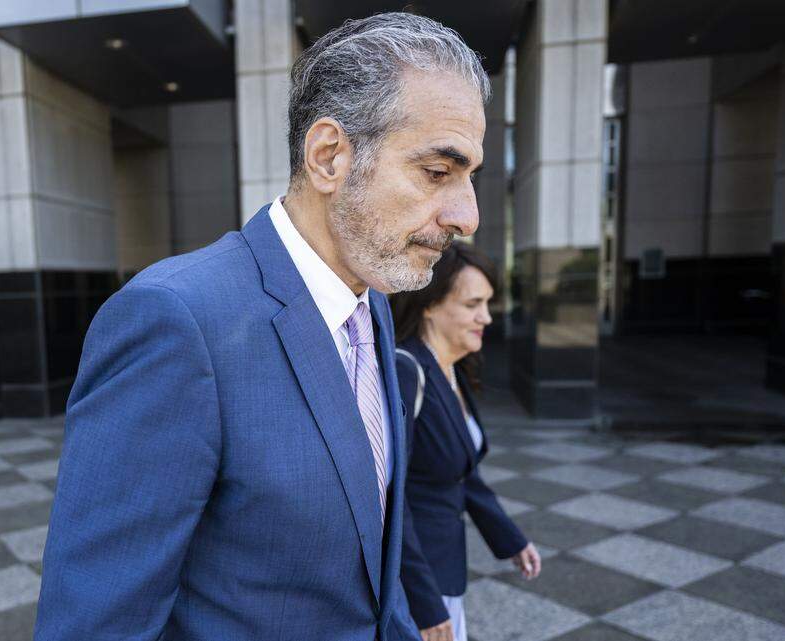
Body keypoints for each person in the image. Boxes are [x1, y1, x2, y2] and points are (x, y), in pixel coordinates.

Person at [35, 12, 490, 641]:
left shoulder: (373, 299)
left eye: (471, 177)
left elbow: (370, 547)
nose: (467, 215)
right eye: (438, 172)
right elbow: (97, 623)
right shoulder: (176, 320)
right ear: (330, 156)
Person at [392, 244, 541, 641]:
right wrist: (424, 603)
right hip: (418, 580)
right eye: (473, 304)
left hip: (445, 566)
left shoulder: (451, 369)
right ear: (429, 304)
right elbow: (390, 496)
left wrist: (509, 538)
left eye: (488, 303)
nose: (486, 317)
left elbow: (463, 472)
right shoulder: (407, 370)